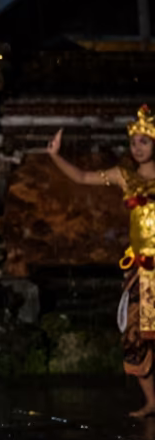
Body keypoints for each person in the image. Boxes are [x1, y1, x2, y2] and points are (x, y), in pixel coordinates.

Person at [47, 106, 155, 417]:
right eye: (134, 142)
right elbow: (82, 176)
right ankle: (150, 400)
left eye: (144, 142)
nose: (137, 148)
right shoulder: (125, 177)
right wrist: (55, 155)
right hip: (140, 269)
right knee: (136, 333)